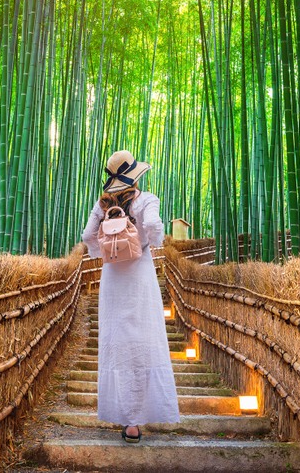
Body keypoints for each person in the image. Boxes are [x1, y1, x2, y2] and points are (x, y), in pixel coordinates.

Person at [81, 150, 181, 444]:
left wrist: (105, 252)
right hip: (140, 276)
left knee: (118, 344)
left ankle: (127, 419)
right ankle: (140, 416)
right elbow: (154, 227)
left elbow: (87, 236)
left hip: (113, 278)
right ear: (135, 175)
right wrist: (147, 243)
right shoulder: (147, 199)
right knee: (144, 341)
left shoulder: (102, 204)